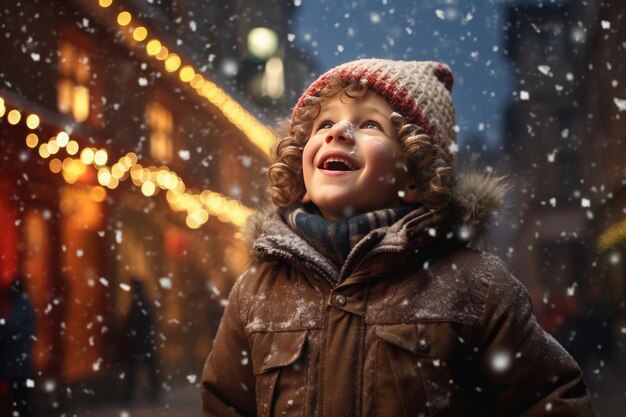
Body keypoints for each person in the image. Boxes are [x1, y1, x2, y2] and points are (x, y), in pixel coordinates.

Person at [201, 59, 594, 416]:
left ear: (415, 175)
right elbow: (225, 403)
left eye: (369, 124)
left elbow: (550, 398)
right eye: (323, 124)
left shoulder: (477, 288)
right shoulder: (258, 291)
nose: (338, 130)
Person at [0, 275, 35, 417]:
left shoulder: (19, 307)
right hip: (21, 365)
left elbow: (11, 330)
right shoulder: (24, 306)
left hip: (17, 365)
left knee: (20, 400)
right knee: (22, 400)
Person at [123, 278, 160, 403]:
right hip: (143, 341)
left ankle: (130, 395)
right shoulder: (142, 301)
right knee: (146, 369)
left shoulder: (139, 302)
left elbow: (136, 323)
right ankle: (152, 393)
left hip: (140, 342)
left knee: (135, 370)